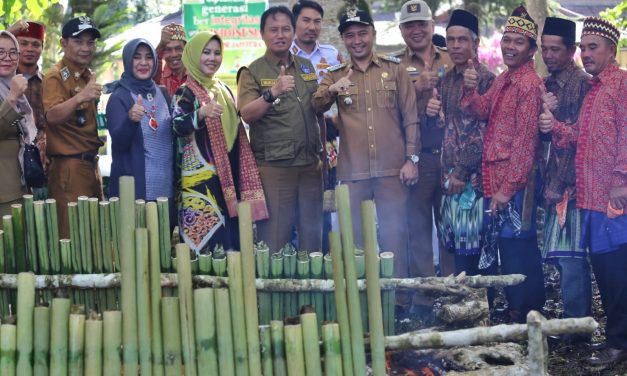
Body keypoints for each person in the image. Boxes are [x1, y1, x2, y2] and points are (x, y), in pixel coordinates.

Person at [312, 8, 418, 310]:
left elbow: (410, 118)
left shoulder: (394, 69)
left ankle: (398, 301)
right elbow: (315, 106)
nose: (357, 40)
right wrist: (333, 90)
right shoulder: (335, 75)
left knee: (395, 235)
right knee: (355, 239)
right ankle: (361, 301)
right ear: (344, 38)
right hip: (354, 172)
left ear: (372, 33)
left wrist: (412, 159)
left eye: (362, 33)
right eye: (350, 35)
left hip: (393, 169)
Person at [539, 17, 627, 366]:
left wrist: (621, 179)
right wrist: (555, 125)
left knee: (616, 272)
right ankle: (617, 340)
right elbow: (580, 136)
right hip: (589, 199)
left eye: (594, 48)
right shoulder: (593, 89)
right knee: (605, 272)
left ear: (612, 51)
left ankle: (619, 343)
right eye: (585, 48)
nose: (587, 54)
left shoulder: (621, 85)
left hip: (611, 199)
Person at [461, 5, 545, 322]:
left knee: (517, 247)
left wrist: (506, 191)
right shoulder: (504, 79)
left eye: (518, 42)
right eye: (506, 39)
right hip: (496, 178)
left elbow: (525, 146)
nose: (510, 46)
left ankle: (526, 311)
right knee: (509, 246)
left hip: (515, 184)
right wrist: (470, 87)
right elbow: (482, 109)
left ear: (531, 49)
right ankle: (522, 308)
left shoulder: (528, 86)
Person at [172, 32, 268, 253]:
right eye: (205, 52)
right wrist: (201, 114)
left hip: (229, 179)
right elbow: (176, 126)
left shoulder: (222, 90)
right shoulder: (185, 92)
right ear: (194, 55)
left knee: (232, 243)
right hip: (201, 185)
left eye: (217, 53)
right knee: (209, 248)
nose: (212, 58)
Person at [237, 6, 323, 253]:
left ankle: (311, 290)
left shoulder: (306, 66)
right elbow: (247, 114)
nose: (280, 35)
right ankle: (272, 291)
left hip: (309, 166)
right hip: (275, 168)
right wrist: (272, 92)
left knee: (312, 240)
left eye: (286, 29)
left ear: (293, 31)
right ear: (262, 34)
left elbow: (316, 112)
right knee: (275, 240)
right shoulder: (253, 71)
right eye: (273, 30)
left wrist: (322, 156)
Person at [392, 0, 455, 292]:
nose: (416, 30)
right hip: (419, 158)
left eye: (422, 24)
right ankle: (427, 296)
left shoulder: (451, 58)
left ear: (432, 26)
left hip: (453, 158)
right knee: (417, 229)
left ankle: (455, 293)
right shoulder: (394, 67)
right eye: (409, 25)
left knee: (451, 228)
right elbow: (389, 116)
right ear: (402, 30)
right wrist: (414, 91)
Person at [539, 17, 592, 344]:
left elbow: (581, 139)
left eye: (555, 49)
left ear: (571, 50)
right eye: (544, 49)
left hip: (572, 186)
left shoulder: (582, 84)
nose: (549, 55)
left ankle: (577, 329)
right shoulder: (545, 84)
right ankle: (574, 322)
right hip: (552, 184)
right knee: (562, 258)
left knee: (572, 260)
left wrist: (560, 184)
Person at [431, 10, 495, 277]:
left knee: (477, 254)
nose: (455, 46)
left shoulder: (487, 79)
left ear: (475, 43)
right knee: (458, 252)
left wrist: (461, 172)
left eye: (462, 40)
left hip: (474, 181)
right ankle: (466, 312)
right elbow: (449, 127)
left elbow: (483, 132)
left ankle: (486, 313)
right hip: (451, 180)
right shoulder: (447, 81)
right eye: (451, 40)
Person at [43, 17, 104, 238]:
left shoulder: (87, 75)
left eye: (90, 42)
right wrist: (82, 97)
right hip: (69, 168)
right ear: (63, 43)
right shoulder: (56, 76)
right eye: (78, 41)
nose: (85, 48)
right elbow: (52, 115)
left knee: (93, 237)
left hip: (90, 166)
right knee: (71, 239)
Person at [291, 0, 343, 252]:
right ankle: (302, 256)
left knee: (329, 199)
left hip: (331, 137)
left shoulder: (332, 55)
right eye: (306, 20)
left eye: (317, 21)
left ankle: (329, 254)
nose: (312, 27)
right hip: (297, 137)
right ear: (295, 23)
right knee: (300, 201)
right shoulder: (285, 56)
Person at [106, 38, 174, 206]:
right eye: (137, 57)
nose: (143, 63)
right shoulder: (119, 97)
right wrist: (131, 120)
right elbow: (119, 144)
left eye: (148, 57)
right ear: (128, 61)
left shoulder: (163, 93)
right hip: (135, 194)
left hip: (166, 191)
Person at [0, 30, 37, 217]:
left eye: (13, 52)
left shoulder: (12, 86)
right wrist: (12, 97)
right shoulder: (13, 91)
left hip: (21, 185)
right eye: (0, 52)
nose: (7, 58)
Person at [10, 21, 48, 199]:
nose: (30, 49)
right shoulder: (4, 80)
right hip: (10, 165)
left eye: (36, 44)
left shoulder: (50, 83)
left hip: (44, 165)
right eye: (23, 43)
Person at [154, 23, 187, 97]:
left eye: (178, 49)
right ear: (162, 52)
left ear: (186, 49)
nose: (174, 54)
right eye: (168, 50)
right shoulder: (159, 79)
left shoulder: (196, 76)